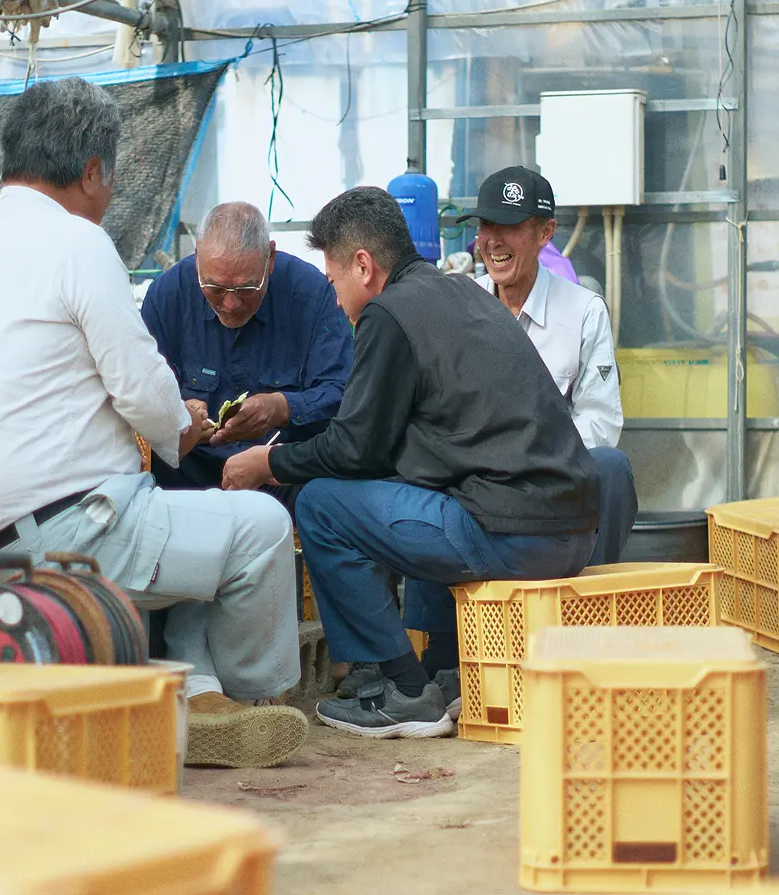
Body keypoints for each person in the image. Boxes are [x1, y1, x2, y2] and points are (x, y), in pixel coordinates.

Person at [0, 78, 308, 769]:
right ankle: (263, 700)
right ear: (92, 171)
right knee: (258, 528)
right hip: (80, 531)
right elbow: (142, 389)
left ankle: (200, 693)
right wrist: (183, 423)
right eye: (110, 180)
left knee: (198, 530)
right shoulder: (77, 245)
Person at [221, 186, 600, 739]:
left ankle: (399, 689)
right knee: (410, 494)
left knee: (322, 503)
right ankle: (444, 672)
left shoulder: (387, 314)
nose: (334, 299)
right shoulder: (465, 293)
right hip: (572, 530)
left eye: (333, 283)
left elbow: (355, 450)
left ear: (363, 266)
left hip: (514, 536)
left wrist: (270, 461)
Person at [391, 167, 639, 706]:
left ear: (545, 233)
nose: (492, 242)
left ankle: (584, 629)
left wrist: (531, 455)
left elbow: (602, 422)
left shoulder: (582, 312)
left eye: (510, 227)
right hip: (476, 476)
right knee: (426, 477)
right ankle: (445, 652)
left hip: (552, 478)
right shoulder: (458, 303)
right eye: (485, 227)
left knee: (612, 468)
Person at [141, 202, 354, 513]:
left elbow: (344, 394)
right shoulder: (168, 295)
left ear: (270, 258)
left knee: (328, 499)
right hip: (189, 476)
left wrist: (282, 407)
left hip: (279, 474)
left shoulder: (311, 294)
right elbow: (136, 395)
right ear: (198, 255)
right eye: (214, 288)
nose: (230, 303)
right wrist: (177, 418)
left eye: (247, 288)